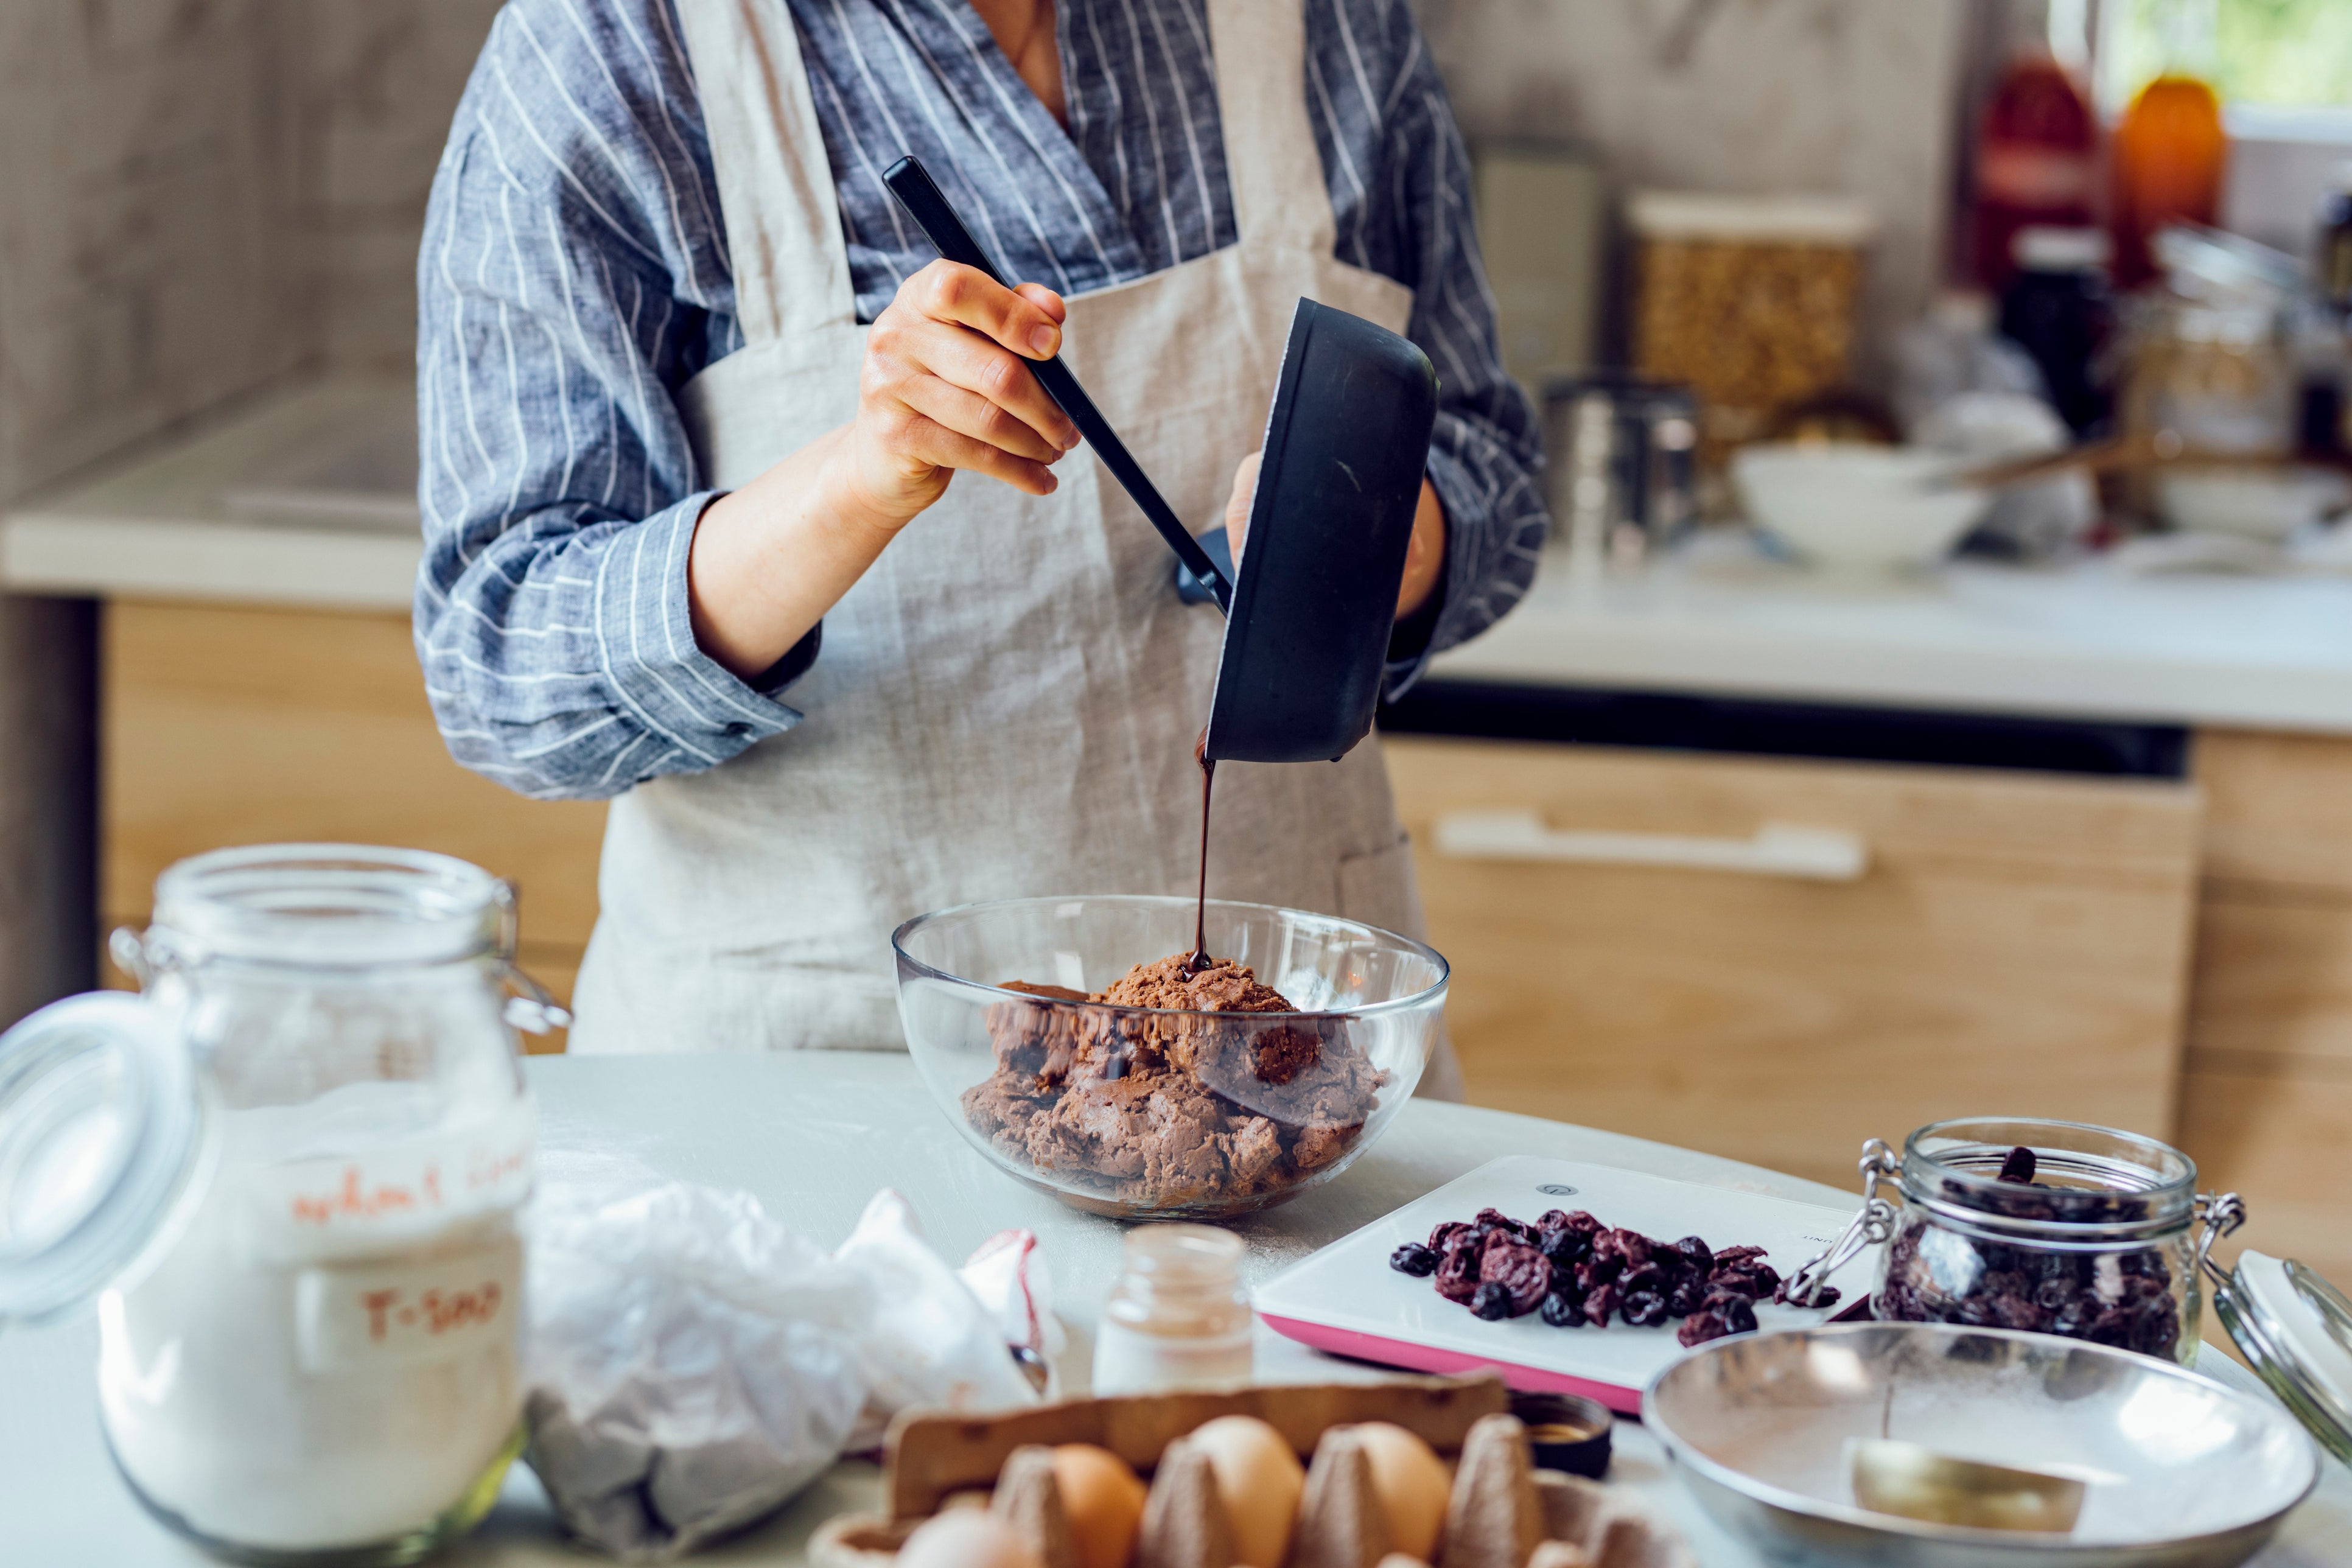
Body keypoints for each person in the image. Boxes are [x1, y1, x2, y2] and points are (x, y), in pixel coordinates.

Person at [417, 0, 1545, 1070]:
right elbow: (506, 659)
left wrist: (1387, 547)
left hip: (1289, 1091)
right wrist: (854, 485)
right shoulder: (613, 49)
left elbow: (1489, 459)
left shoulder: (1331, 25)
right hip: (813, 1091)